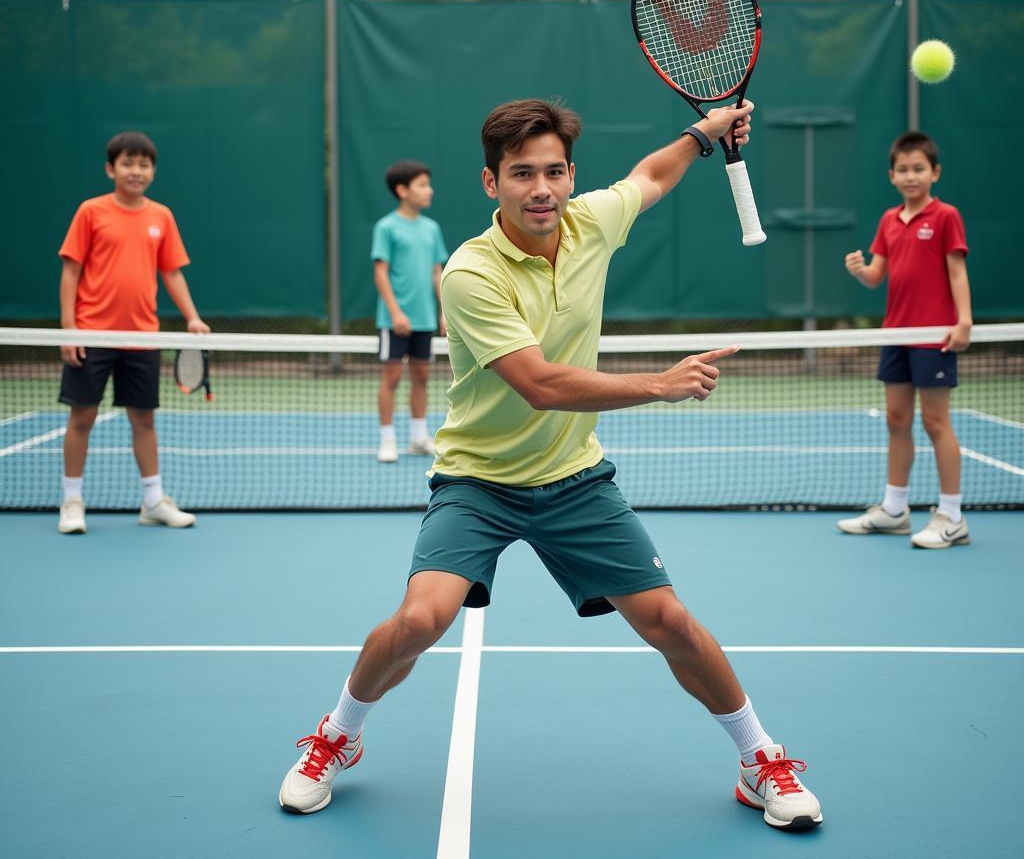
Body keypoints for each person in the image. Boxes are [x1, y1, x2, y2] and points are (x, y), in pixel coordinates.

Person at [279, 100, 823, 831]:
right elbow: (540, 383)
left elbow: (651, 177)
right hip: (478, 483)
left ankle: (761, 760)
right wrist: (658, 384)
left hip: (575, 481)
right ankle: (337, 737)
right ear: (490, 182)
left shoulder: (591, 221)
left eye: (555, 171)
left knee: (671, 622)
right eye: (522, 173)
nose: (541, 188)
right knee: (417, 620)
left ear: (571, 176)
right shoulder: (470, 274)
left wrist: (704, 135)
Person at [57, 131, 210, 535]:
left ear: (152, 172)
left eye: (143, 164)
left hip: (144, 336)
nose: (135, 171)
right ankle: (72, 500)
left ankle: (153, 500)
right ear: (111, 169)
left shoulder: (161, 216)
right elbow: (70, 270)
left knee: (144, 420)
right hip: (92, 334)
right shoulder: (91, 211)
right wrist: (69, 330)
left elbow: (172, 271)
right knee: (82, 417)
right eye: (127, 163)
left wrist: (192, 317)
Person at [839, 130, 972, 548]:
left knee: (936, 422)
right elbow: (878, 275)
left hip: (934, 336)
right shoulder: (888, 221)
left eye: (919, 169)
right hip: (896, 332)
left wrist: (963, 321)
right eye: (903, 169)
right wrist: (860, 269)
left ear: (935, 172)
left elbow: (957, 272)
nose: (911, 176)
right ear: (892, 176)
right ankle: (895, 510)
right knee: (897, 420)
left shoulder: (946, 216)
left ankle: (951, 516)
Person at [370, 160, 448, 463]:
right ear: (403, 190)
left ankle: (418, 437)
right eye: (422, 185)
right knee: (391, 377)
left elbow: (436, 273)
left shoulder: (431, 228)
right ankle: (387, 440)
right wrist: (395, 312)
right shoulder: (386, 227)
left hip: (425, 319)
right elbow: (380, 273)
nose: (429, 190)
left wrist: (443, 311)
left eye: (428, 184)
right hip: (394, 320)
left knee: (422, 376)